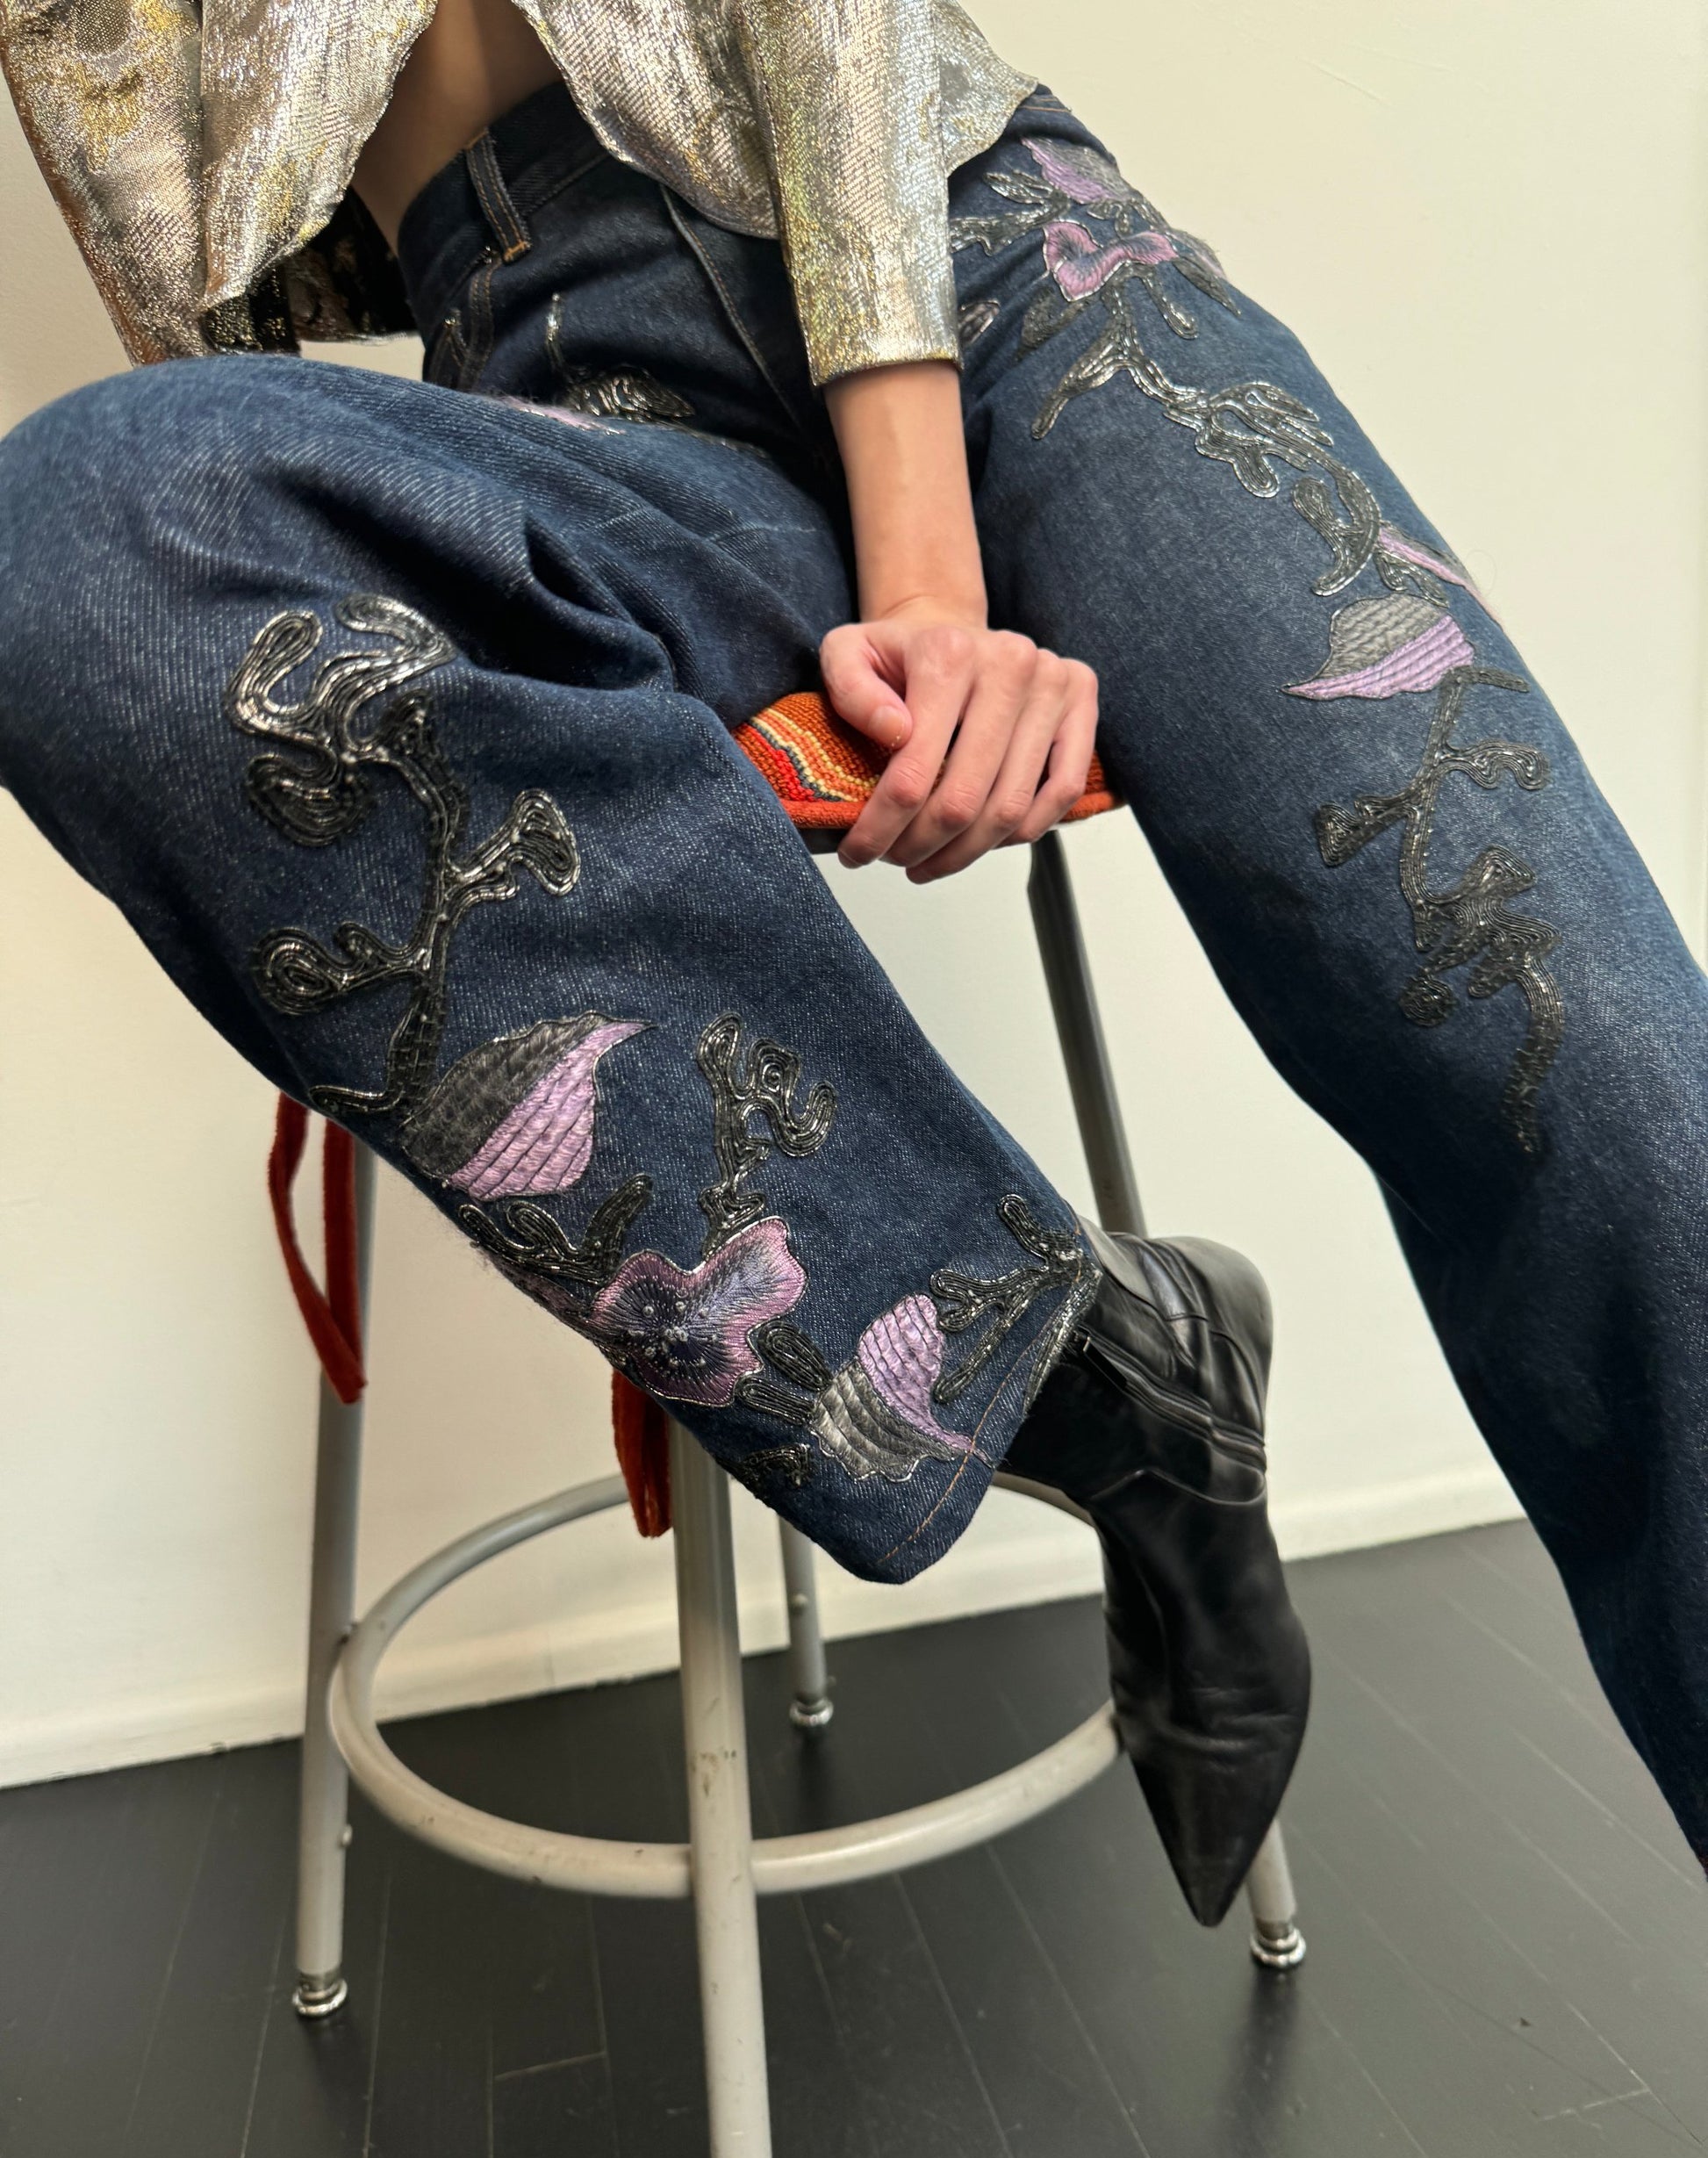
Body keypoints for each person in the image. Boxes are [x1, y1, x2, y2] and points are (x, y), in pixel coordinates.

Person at [0, 0, 1702, 1920]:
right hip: (566, 389)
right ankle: (1097, 1370)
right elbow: (210, 318)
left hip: (1012, 277)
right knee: (78, 536)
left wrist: (929, 581)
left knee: (1584, 1052)